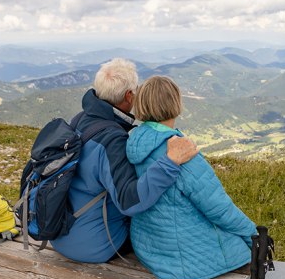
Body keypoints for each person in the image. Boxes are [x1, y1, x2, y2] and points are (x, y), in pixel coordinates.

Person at [50, 59, 199, 263]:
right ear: (129, 96)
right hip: (94, 245)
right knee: (165, 226)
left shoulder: (81, 119)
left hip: (59, 234)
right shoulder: (112, 139)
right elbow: (130, 201)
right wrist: (170, 162)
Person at [126, 75, 257, 279]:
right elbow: (219, 208)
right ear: (175, 103)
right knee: (240, 248)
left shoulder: (134, 142)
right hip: (182, 261)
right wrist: (255, 236)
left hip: (151, 249)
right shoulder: (180, 153)